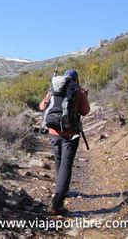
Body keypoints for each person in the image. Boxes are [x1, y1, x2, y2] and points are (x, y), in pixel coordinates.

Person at [39, 69, 90, 215]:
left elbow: (42, 107)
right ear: (76, 79)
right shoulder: (78, 91)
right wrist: (84, 96)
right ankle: (57, 204)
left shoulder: (53, 89)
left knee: (59, 162)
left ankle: (61, 190)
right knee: (65, 167)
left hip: (53, 132)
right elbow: (85, 111)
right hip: (70, 134)